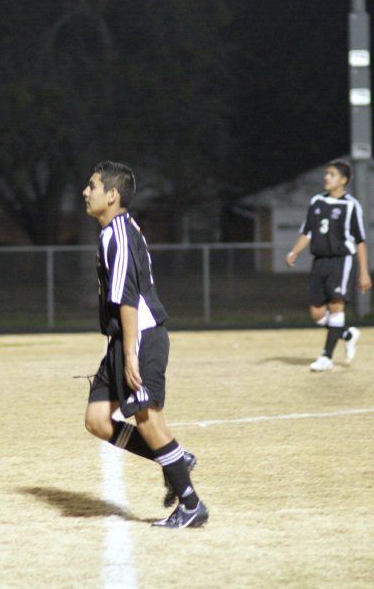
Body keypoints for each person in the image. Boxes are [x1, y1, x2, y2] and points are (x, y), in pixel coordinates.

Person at [82, 161, 208, 529]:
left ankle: (190, 504)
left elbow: (127, 298)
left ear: (112, 195)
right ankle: (176, 459)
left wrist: (131, 354)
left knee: (148, 419)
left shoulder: (117, 235)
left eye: (92, 186)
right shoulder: (117, 229)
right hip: (124, 338)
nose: (86, 192)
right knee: (97, 420)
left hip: (141, 337)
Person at [285, 159, 373, 371]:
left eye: (332, 174)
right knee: (316, 314)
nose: (327, 177)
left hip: (341, 260)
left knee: (336, 307)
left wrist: (364, 272)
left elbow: (360, 240)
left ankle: (326, 356)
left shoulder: (351, 205)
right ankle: (346, 334)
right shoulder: (316, 201)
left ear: (343, 180)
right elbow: (307, 232)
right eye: (326, 173)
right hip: (320, 261)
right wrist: (295, 251)